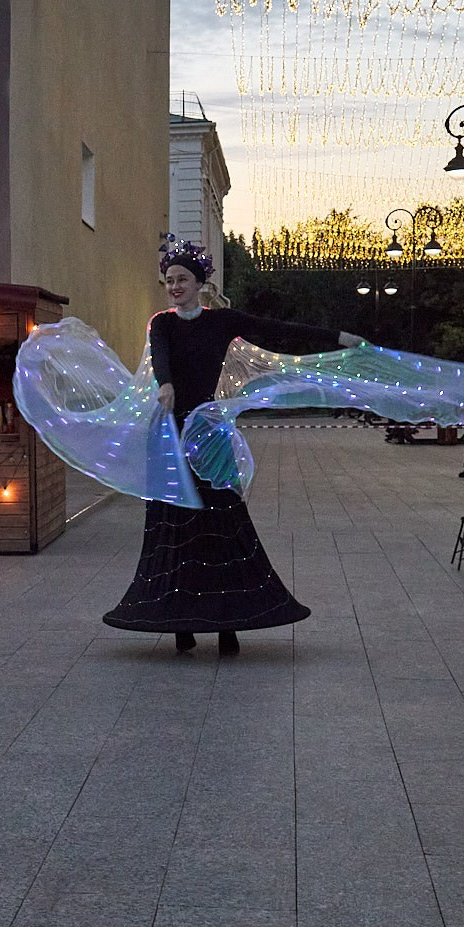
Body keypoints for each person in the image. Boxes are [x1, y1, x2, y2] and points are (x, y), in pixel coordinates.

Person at [102, 242, 365, 656]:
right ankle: (179, 625)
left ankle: (230, 625)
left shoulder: (223, 321)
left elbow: (277, 329)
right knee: (176, 528)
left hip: (209, 431)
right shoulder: (162, 324)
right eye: (169, 281)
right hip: (172, 433)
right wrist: (165, 383)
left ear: (200, 284)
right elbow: (162, 356)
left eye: (182, 279)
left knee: (223, 525)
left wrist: (338, 337)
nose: (174, 287)